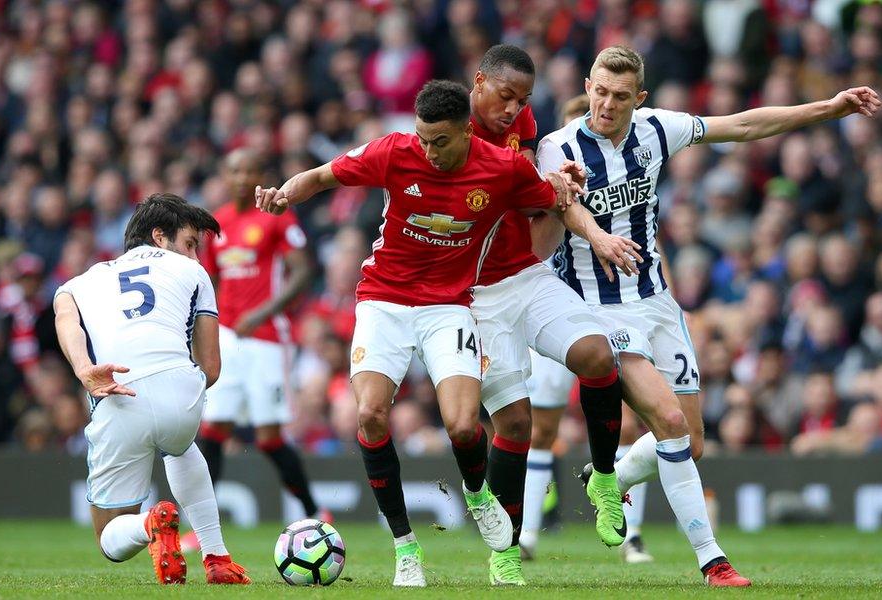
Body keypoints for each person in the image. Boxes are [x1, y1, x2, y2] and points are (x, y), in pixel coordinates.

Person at [532, 45, 880, 587]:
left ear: (638, 99)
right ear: (588, 84)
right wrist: (599, 236)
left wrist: (826, 109)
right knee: (667, 422)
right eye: (599, 91)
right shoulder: (559, 145)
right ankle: (712, 559)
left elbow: (741, 125)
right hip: (595, 308)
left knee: (691, 441)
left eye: (619, 97)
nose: (605, 104)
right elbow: (563, 205)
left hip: (657, 302)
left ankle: (608, 476)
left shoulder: (656, 128)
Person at [255, 80, 621, 587]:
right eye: (422, 139)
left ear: (466, 131)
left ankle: (476, 494)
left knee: (465, 428)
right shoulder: (394, 151)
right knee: (369, 413)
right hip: (383, 298)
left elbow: (554, 200)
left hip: (449, 304)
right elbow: (320, 176)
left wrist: (570, 194)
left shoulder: (503, 168)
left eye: (439, 142)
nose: (428, 151)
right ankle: (406, 547)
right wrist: (282, 195)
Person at [467, 46, 643, 585]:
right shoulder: (448, 134)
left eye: (522, 99)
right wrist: (541, 187)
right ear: (477, 85)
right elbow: (501, 190)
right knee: (516, 423)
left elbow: (534, 199)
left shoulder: (524, 122)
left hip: (528, 275)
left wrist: (556, 186)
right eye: (506, 96)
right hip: (476, 294)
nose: (514, 109)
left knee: (598, 354)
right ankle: (506, 552)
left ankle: (605, 478)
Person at [53, 193, 250, 585]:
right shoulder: (194, 274)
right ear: (159, 236)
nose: (195, 256)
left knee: (109, 539)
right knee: (181, 445)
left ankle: (150, 524)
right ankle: (217, 558)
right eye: (191, 243)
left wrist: (83, 369)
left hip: (116, 391)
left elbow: (64, 316)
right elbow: (211, 367)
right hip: (181, 391)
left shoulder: (80, 282)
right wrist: (180, 388)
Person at [521, 93, 656, 566]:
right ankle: (529, 536)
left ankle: (632, 536)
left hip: (611, 311)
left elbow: (645, 249)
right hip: (555, 309)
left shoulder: (619, 186)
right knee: (543, 429)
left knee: (628, 425)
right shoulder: (546, 176)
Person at [185, 148, 326, 552]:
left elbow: (303, 271)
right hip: (226, 337)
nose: (243, 176)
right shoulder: (217, 224)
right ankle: (203, 528)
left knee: (268, 436)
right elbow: (207, 276)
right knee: (213, 429)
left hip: (266, 336)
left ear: (261, 174)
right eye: (235, 170)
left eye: (250, 169)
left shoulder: (277, 215)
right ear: (225, 176)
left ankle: (315, 509)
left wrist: (262, 311)